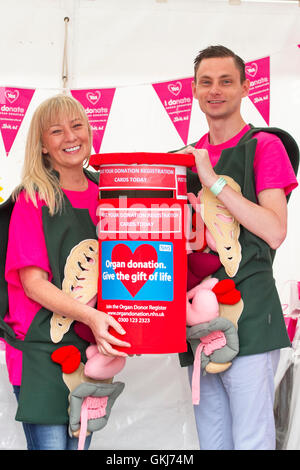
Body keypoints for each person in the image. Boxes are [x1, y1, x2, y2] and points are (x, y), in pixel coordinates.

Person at [178, 45, 299, 450]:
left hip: (252, 319)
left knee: (252, 441)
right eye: (206, 82)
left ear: (246, 87)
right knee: (212, 442)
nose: (216, 90)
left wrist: (212, 180)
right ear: (193, 90)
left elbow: (275, 230)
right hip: (198, 324)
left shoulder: (264, 147)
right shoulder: (182, 160)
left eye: (226, 81)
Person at [0, 94, 130, 450]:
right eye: (56, 131)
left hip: (89, 347)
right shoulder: (34, 198)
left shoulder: (109, 193)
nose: (70, 137)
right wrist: (92, 316)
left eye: (77, 126)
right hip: (39, 350)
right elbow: (33, 284)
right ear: (42, 145)